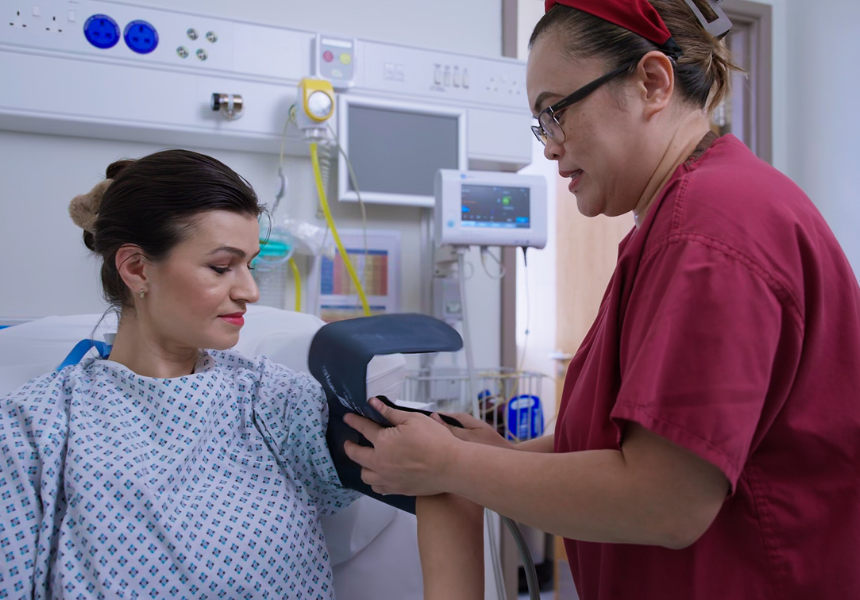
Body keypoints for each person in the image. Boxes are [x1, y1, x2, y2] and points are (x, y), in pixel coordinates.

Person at [342, 1, 860, 598]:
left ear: (652, 83)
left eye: (554, 114)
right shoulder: (682, 220)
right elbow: (634, 445)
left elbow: (667, 500)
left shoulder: (711, 232)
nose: (549, 148)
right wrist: (506, 456)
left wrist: (452, 467)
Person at [0, 149, 482, 599]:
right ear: (137, 268)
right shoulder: (30, 431)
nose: (250, 291)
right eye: (221, 267)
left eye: (250, 264)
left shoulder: (275, 402)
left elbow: (440, 478)